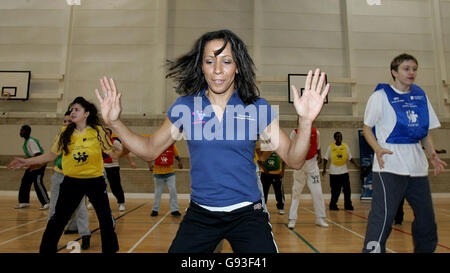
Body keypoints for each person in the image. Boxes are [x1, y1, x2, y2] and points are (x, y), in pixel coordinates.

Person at [95, 29, 329, 253]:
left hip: (248, 213)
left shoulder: (256, 107)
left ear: (237, 67)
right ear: (201, 66)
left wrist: (305, 121)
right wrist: (115, 123)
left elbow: (294, 160)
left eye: (226, 61)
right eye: (209, 61)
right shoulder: (186, 106)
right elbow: (149, 151)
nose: (217, 69)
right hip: (201, 214)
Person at [8, 96, 120, 253]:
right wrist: (27, 162)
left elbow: (112, 154)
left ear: (86, 113)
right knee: (57, 219)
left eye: (77, 109)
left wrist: (120, 148)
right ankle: (46, 250)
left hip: (95, 182)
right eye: (72, 109)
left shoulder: (98, 131)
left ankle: (110, 250)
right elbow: (50, 155)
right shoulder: (64, 133)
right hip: (71, 182)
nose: (72, 112)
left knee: (106, 220)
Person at [361, 53, 447, 253]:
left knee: (426, 220)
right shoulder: (380, 96)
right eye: (406, 69)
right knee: (382, 218)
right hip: (389, 166)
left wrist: (432, 154)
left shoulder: (420, 95)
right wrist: (377, 149)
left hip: (417, 167)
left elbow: (424, 133)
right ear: (394, 72)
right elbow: (367, 128)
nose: (412, 73)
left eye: (414, 69)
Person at [48, 110, 91, 250]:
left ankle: (85, 235)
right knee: (54, 207)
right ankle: (51, 239)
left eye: (69, 121)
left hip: (75, 177)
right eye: (64, 121)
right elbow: (53, 155)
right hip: (58, 175)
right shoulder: (60, 136)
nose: (65, 124)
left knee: (80, 208)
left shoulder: (81, 137)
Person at [288, 126, 328, 229]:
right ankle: (292, 219)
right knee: (296, 192)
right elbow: (290, 148)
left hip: (312, 165)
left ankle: (320, 218)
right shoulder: (294, 133)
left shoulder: (316, 132)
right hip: (299, 164)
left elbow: (318, 148)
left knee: (317, 192)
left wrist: (319, 156)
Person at [15, 125, 50, 210]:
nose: (20, 132)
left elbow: (37, 154)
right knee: (25, 181)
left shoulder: (31, 141)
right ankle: (24, 202)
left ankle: (47, 203)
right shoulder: (27, 141)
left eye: (22, 130)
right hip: (34, 163)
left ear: (27, 132)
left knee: (37, 182)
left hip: (39, 163)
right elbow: (31, 155)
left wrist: (33, 165)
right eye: (20, 130)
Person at [322, 131, 359, 210]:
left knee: (347, 190)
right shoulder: (330, 147)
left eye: (340, 136)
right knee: (335, 191)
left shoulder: (346, 146)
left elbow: (350, 158)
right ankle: (333, 205)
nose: (339, 138)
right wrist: (324, 169)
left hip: (344, 172)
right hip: (334, 173)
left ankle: (348, 205)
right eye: (338, 136)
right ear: (335, 138)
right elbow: (325, 159)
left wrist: (357, 166)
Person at [148, 141, 183, 217]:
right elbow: (150, 156)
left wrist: (180, 162)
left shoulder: (172, 146)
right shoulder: (156, 146)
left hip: (170, 173)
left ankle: (175, 210)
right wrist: (150, 164)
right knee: (158, 193)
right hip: (158, 173)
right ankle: (155, 209)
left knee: (173, 190)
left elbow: (177, 156)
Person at [104, 128, 127, 212]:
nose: (106, 134)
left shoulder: (115, 142)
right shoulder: (99, 142)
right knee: (99, 186)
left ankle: (121, 202)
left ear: (110, 134)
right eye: (104, 133)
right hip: (101, 167)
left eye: (107, 133)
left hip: (113, 166)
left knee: (115, 186)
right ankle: (94, 202)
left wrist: (115, 155)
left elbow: (123, 151)